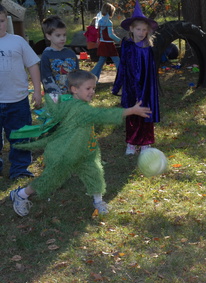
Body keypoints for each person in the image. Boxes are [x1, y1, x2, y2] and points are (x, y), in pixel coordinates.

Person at [9, 70, 152, 217]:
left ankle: (98, 201)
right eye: (88, 88)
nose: (92, 92)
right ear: (74, 89)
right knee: (49, 180)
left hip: (85, 151)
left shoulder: (73, 102)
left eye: (94, 88)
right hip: (65, 154)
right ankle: (21, 194)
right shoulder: (79, 109)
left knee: (95, 174)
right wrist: (131, 110)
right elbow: (103, 115)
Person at [0, 4, 42, 180]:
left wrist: (38, 91)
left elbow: (32, 64)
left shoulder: (17, 41)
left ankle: (19, 169)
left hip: (18, 101)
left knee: (21, 138)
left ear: (6, 21)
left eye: (1, 21)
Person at [112, 0, 160, 155]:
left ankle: (145, 142)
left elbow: (151, 71)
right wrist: (117, 85)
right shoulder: (127, 45)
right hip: (131, 87)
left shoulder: (148, 48)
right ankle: (132, 143)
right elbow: (123, 66)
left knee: (145, 112)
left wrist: (151, 90)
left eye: (144, 30)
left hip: (145, 87)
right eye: (138, 29)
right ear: (131, 29)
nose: (141, 32)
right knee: (132, 114)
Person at [40, 15, 79, 95]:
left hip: (73, 97)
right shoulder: (46, 55)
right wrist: (57, 96)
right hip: (55, 98)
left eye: (64, 35)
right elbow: (46, 78)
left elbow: (78, 75)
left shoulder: (71, 53)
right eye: (58, 35)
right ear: (48, 36)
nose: (62, 38)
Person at [91, 3, 121, 80]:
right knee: (117, 61)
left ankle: (92, 76)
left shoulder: (100, 21)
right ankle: (123, 77)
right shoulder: (109, 22)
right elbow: (110, 35)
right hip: (109, 45)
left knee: (101, 62)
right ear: (111, 12)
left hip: (102, 44)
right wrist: (119, 40)